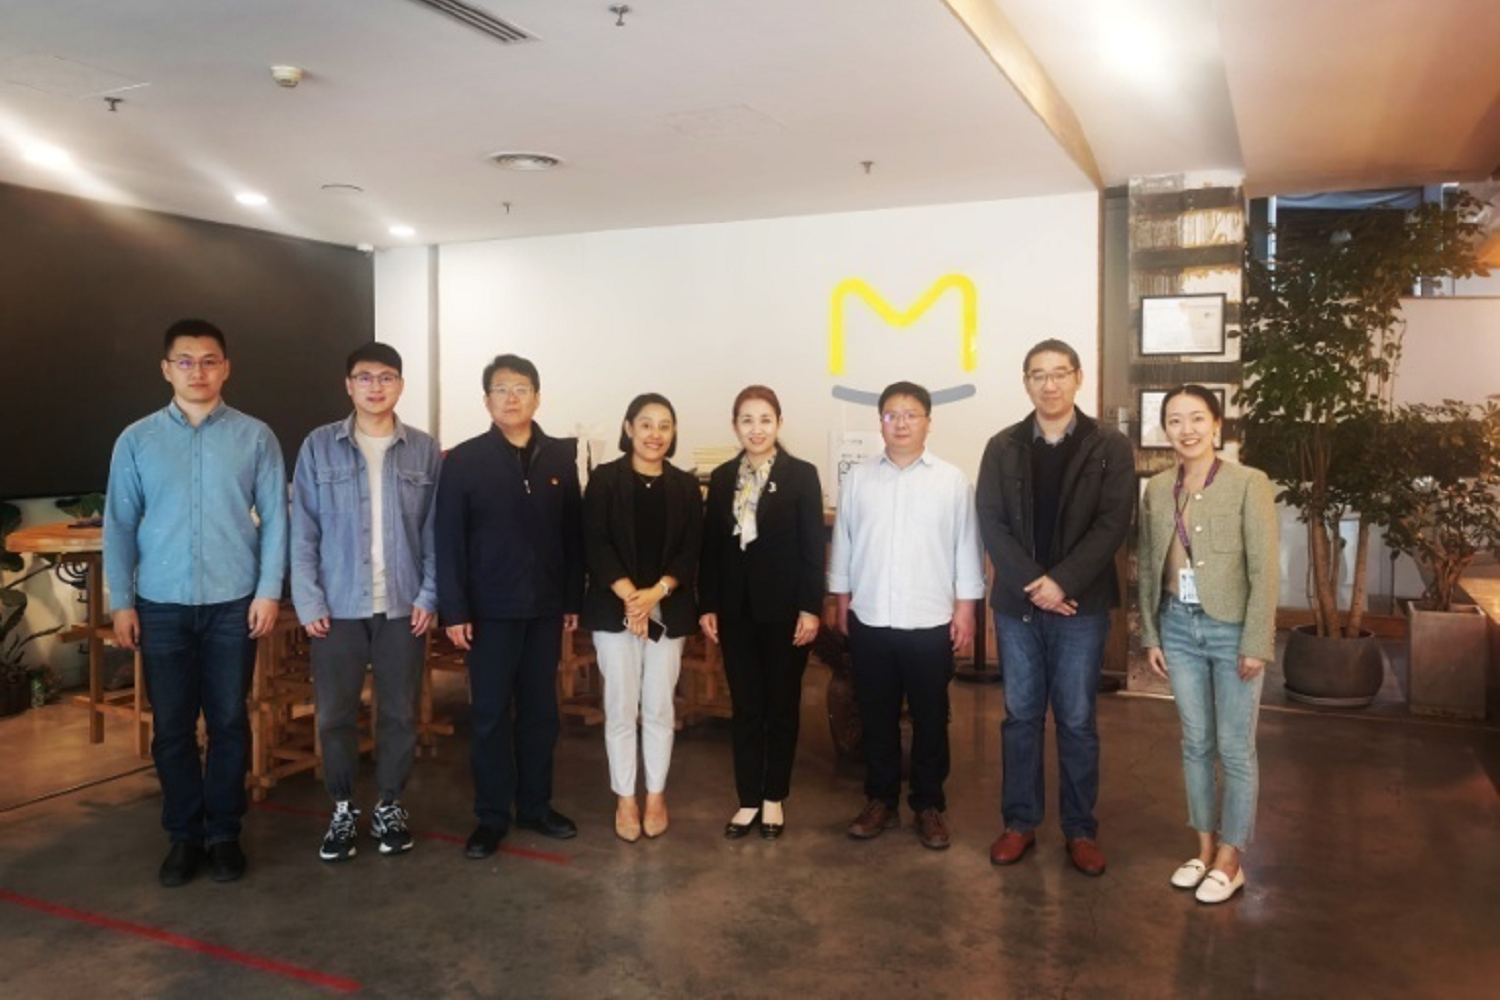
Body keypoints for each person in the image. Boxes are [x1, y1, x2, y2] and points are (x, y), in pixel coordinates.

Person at [104, 318, 288, 887]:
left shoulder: (256, 437)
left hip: (234, 602)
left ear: (225, 368)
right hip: (161, 604)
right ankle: (184, 835)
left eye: (209, 361)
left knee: (230, 720)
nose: (198, 371)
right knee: (172, 727)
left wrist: (268, 591)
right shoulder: (136, 440)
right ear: (166, 369)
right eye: (185, 361)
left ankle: (225, 833)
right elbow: (119, 524)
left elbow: (276, 519)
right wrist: (121, 602)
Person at [976, 338, 1133, 876]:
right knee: (1020, 717)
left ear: (1078, 378)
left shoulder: (1109, 445)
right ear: (1026, 383)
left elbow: (1112, 523)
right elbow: (991, 521)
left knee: (1077, 719)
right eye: (1038, 375)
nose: (1050, 384)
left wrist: (1061, 583)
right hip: (1017, 606)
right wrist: (1035, 584)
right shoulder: (1002, 445)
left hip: (1080, 606)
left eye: (1059, 373)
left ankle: (1080, 829)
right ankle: (1019, 823)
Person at [290, 342, 442, 862]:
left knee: (398, 713)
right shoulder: (318, 446)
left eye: (386, 377)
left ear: (400, 384)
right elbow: (303, 531)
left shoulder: (423, 449)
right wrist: (309, 601)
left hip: (403, 606)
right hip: (337, 608)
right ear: (348, 385)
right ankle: (342, 807)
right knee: (334, 714)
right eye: (364, 377)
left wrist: (430, 594)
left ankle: (390, 805)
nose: (375, 386)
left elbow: (436, 531)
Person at [436, 354, 584, 859]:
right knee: (491, 715)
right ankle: (492, 815)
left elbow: (572, 534)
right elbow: (448, 540)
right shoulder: (463, 460)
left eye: (521, 388)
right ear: (487, 401)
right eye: (501, 389)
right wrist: (455, 610)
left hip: (544, 608)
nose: (512, 397)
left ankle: (536, 806)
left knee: (542, 713)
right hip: (489, 612)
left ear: (537, 398)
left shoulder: (560, 457)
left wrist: (571, 598)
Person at [829, 381, 985, 850]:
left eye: (911, 414)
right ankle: (879, 800)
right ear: (880, 423)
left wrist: (966, 609)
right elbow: (844, 543)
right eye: (891, 414)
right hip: (871, 617)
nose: (900, 423)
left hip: (929, 619)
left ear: (928, 423)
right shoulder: (858, 479)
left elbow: (966, 546)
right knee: (875, 715)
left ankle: (928, 804)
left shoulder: (951, 481)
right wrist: (841, 601)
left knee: (930, 717)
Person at [1138, 385, 1277, 904]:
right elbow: (1149, 566)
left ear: (1217, 424)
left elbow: (1264, 569)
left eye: (1197, 418)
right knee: (1195, 743)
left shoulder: (1248, 482)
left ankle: (1231, 859)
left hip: (1232, 630)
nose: (1187, 429)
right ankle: (1202, 849)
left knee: (1235, 747)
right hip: (1177, 625)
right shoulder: (1157, 488)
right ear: (1165, 429)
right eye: (1175, 420)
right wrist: (1151, 633)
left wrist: (1256, 641)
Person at [699, 386, 824, 840]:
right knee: (747, 707)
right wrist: (708, 605)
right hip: (736, 612)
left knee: (782, 706)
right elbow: (711, 549)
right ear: (735, 426)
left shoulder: (801, 475)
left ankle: (774, 797)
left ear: (779, 423)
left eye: (765, 419)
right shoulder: (721, 477)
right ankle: (749, 798)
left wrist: (811, 607)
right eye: (747, 420)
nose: (756, 429)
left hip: (786, 610)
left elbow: (813, 548)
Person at [582, 393, 702, 842]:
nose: (655, 434)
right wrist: (632, 598)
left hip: (667, 610)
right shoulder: (604, 480)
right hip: (615, 609)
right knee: (619, 707)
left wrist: (655, 595)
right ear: (629, 428)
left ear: (674, 433)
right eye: (646, 424)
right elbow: (594, 542)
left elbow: (691, 549)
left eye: (664, 425)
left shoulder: (685, 486)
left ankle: (654, 795)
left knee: (658, 706)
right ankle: (625, 798)